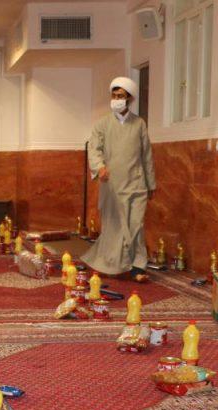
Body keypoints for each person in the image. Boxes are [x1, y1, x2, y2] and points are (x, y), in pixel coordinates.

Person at [82, 77, 156, 283]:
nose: (116, 99)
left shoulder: (139, 124)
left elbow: (147, 155)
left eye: (121, 96)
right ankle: (113, 264)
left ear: (130, 99)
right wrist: (100, 167)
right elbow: (94, 149)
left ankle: (137, 266)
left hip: (137, 184)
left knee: (136, 225)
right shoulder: (102, 124)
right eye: (114, 96)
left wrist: (151, 183)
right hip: (112, 185)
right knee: (115, 227)